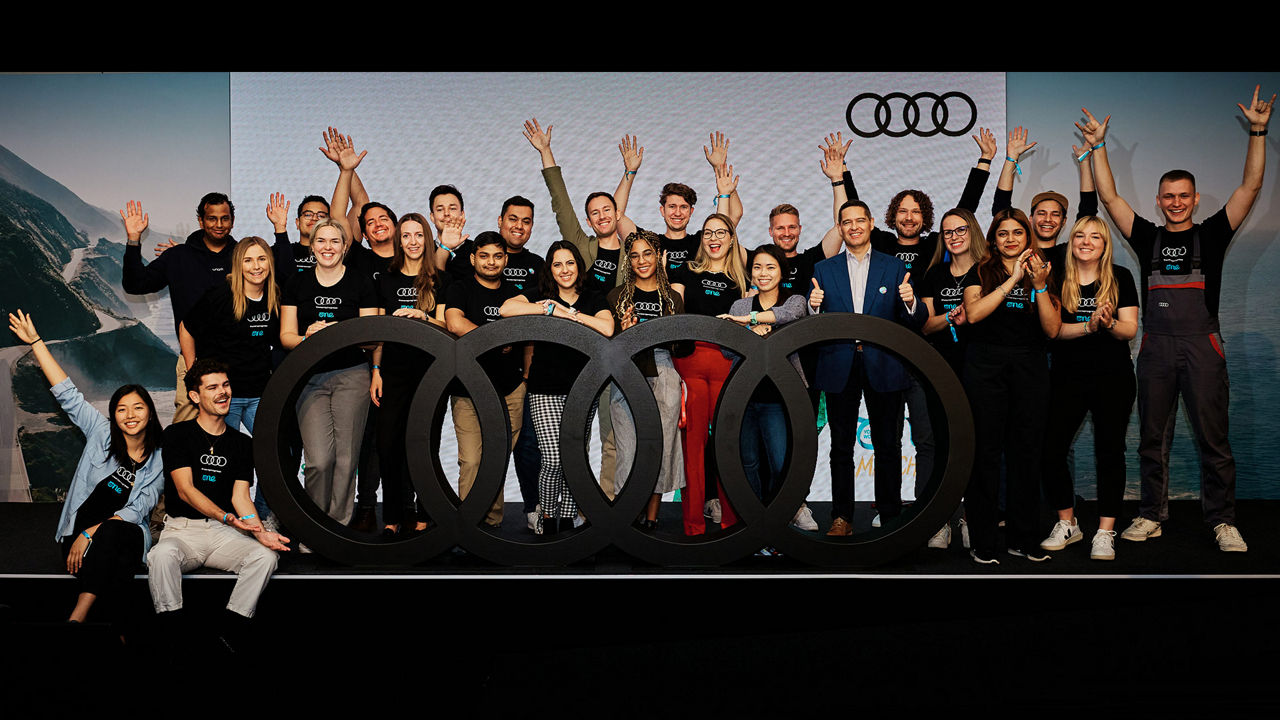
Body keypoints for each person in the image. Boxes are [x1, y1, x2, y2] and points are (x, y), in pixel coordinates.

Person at [1084, 86, 1273, 552]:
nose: (1175, 202)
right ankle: (1151, 515)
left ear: (1194, 199)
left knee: (1214, 441)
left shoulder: (1213, 235)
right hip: (1155, 348)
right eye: (1168, 196)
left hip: (1202, 345)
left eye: (1183, 196)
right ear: (1158, 200)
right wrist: (1098, 147)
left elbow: (1249, 188)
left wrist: (1258, 130)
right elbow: (1108, 198)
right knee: (1152, 439)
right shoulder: (1146, 237)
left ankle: (1223, 520)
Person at [842, 128, 995, 523]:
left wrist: (984, 164)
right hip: (885, 357)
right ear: (891, 217)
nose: (909, 217)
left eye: (916, 211)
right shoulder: (879, 243)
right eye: (902, 211)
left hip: (927, 356)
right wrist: (840, 172)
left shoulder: (934, 248)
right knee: (887, 439)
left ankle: (932, 510)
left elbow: (965, 210)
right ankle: (888, 509)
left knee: (928, 438)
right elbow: (852, 211)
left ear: (925, 218)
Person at [8, 310, 163, 632]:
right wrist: (36, 342)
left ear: (150, 413)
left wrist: (90, 532)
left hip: (117, 535)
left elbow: (139, 509)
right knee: (117, 564)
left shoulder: (159, 458)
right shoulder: (100, 434)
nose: (129, 415)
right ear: (113, 416)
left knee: (114, 533)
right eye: (121, 409)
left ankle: (77, 617)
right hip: (78, 541)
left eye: (138, 407)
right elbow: (67, 393)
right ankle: (123, 630)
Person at [523, 118, 640, 502]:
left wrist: (629, 174)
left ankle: (601, 511)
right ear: (588, 221)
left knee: (611, 437)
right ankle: (563, 509)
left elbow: (618, 215)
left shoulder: (631, 251)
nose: (603, 216)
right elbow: (561, 201)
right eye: (595, 213)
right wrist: (545, 152)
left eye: (608, 210)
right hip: (577, 352)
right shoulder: (579, 246)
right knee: (568, 444)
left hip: (619, 345)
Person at [147, 358, 290, 646]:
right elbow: (185, 490)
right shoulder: (177, 434)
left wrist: (260, 533)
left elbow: (241, 497)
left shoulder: (241, 443)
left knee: (265, 558)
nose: (222, 392)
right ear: (195, 396)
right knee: (160, 557)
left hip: (223, 534)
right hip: (182, 531)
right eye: (212, 387)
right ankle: (172, 634)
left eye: (225, 385)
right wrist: (225, 516)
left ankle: (230, 630)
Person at [808, 200, 925, 536]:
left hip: (885, 364)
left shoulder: (894, 267)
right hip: (838, 364)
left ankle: (889, 516)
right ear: (841, 228)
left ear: (872, 223)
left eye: (860, 220)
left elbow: (917, 320)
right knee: (840, 446)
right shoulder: (823, 269)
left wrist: (910, 300)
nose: (854, 227)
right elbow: (812, 325)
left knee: (889, 444)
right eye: (847, 222)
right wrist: (814, 309)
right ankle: (841, 517)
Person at [961, 208, 1061, 563]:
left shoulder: (1043, 272)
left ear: (1027, 237)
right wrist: (1011, 280)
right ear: (993, 239)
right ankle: (983, 541)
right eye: (1003, 234)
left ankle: (1023, 538)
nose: (1010, 239)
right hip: (985, 366)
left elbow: (1051, 329)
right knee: (985, 453)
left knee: (1026, 454)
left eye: (1017, 233)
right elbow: (973, 315)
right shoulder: (980, 272)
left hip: (1029, 367)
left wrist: (1037, 285)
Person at [1038, 217, 1139, 560]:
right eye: (1079, 235)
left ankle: (1105, 531)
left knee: (1109, 453)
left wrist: (1109, 324)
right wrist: (1088, 325)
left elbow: (1130, 330)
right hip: (1067, 377)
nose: (1086, 241)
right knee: (1051, 450)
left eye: (1095, 236)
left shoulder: (1121, 278)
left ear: (1104, 244)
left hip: (1114, 379)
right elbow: (1054, 332)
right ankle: (1068, 523)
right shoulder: (1057, 279)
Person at [500, 241, 615, 534]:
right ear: (550, 269)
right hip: (544, 388)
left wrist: (566, 314)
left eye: (570, 263)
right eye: (557, 264)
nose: (565, 270)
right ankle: (548, 515)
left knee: (574, 458)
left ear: (579, 266)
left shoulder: (592, 297)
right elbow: (506, 308)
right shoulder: (542, 295)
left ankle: (566, 519)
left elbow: (607, 328)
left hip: (583, 389)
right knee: (552, 458)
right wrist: (544, 308)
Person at [280, 218, 379, 525]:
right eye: (321, 241)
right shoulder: (297, 283)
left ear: (344, 246)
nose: (327, 247)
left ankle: (338, 528)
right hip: (309, 379)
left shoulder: (361, 282)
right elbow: (286, 337)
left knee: (347, 460)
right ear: (311, 245)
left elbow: (372, 337)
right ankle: (315, 525)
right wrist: (308, 337)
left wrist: (340, 332)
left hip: (352, 375)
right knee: (319, 461)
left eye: (334, 241)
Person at [179, 235, 282, 525]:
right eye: (248, 260)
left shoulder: (276, 295)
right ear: (238, 265)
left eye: (261, 259)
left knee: (276, 452)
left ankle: (261, 515)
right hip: (227, 396)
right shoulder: (221, 295)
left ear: (270, 263)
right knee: (225, 459)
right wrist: (193, 372)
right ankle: (222, 520)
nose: (256, 266)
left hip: (261, 390)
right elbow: (187, 327)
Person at [668, 213, 748, 534]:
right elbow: (674, 309)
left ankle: (730, 518)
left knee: (728, 443)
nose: (714, 238)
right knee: (693, 447)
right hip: (690, 364)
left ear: (731, 238)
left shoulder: (742, 280)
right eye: (708, 233)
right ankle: (693, 524)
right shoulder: (686, 270)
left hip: (727, 364)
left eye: (721, 232)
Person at [370, 213, 447, 538]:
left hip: (432, 373)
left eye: (418, 235)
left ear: (427, 239)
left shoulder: (440, 279)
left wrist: (423, 317)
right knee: (388, 445)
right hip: (392, 372)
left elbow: (447, 327)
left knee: (423, 446)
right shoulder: (383, 279)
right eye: (406, 235)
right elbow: (376, 332)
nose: (413, 241)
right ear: (399, 241)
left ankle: (423, 511)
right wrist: (375, 370)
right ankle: (393, 515)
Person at [442, 232, 527, 528]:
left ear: (505, 259)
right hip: (467, 389)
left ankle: (490, 525)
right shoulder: (459, 288)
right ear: (473, 257)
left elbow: (527, 337)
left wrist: (526, 378)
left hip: (509, 389)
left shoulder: (517, 294)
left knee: (496, 460)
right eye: (485, 255)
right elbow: (454, 322)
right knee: (471, 461)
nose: (491, 262)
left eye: (497, 256)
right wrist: (492, 340)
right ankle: (468, 528)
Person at [917, 207, 988, 549]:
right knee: (943, 445)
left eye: (961, 229)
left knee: (975, 446)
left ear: (972, 231)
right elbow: (927, 324)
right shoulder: (934, 274)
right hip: (940, 368)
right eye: (948, 232)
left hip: (980, 367)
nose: (955, 236)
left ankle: (972, 519)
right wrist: (950, 316)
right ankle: (941, 520)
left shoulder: (988, 271)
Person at [718, 245, 810, 503]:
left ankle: (779, 518)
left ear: (782, 271)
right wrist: (749, 336)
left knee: (781, 463)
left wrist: (753, 320)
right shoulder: (739, 305)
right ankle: (754, 520)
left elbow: (788, 316)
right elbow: (727, 352)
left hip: (779, 398)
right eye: (757, 267)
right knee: (747, 462)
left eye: (770, 267)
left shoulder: (795, 300)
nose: (763, 273)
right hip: (744, 395)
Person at [607, 230, 687, 528]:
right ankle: (628, 516)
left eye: (648, 253)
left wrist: (673, 332)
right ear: (628, 260)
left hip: (664, 371)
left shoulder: (673, 299)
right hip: (626, 371)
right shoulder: (616, 297)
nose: (642, 260)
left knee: (661, 446)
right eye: (635, 255)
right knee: (628, 449)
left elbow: (684, 346)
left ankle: (652, 517)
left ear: (658, 256)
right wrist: (623, 334)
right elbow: (607, 347)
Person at [616, 131, 745, 274]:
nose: (677, 212)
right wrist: (630, 171)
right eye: (672, 206)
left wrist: (720, 169)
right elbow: (616, 216)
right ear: (662, 211)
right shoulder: (648, 242)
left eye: (683, 207)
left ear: (691, 212)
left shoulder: (703, 241)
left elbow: (734, 214)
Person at [992, 125, 1099, 269]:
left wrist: (1085, 163)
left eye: (1055, 214)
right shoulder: (1018, 251)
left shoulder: (1070, 253)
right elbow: (1001, 207)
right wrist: (1011, 159)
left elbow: (1088, 210)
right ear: (1030, 218)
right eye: (1041, 213)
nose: (1048, 219)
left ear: (1063, 221)